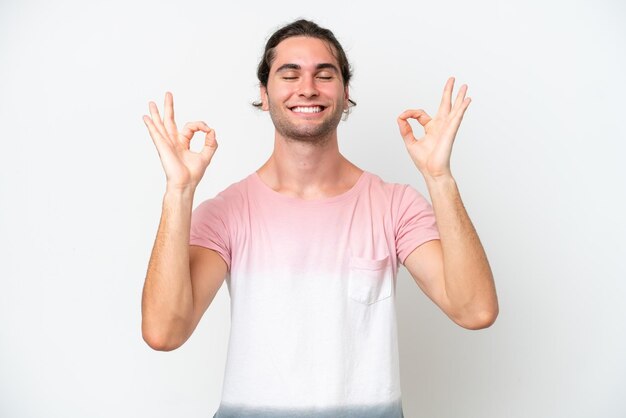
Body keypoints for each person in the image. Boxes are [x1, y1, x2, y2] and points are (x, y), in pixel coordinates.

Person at [141, 19, 498, 418]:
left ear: (346, 94)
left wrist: (439, 177)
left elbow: (475, 311)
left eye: (324, 75)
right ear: (264, 94)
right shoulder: (227, 212)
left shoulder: (394, 206)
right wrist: (178, 192)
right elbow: (164, 332)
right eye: (289, 74)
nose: (307, 88)